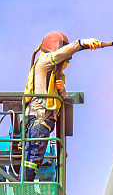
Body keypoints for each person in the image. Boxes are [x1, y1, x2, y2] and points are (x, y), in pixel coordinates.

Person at [22, 31, 106, 181]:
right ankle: (23, 189)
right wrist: (82, 43)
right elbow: (60, 55)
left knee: (33, 155)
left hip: (39, 118)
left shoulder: (51, 71)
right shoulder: (45, 61)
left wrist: (61, 89)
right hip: (39, 117)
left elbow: (63, 97)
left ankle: (24, 186)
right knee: (33, 156)